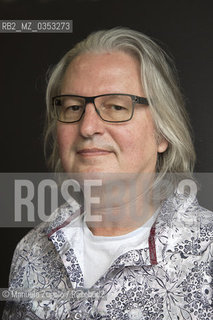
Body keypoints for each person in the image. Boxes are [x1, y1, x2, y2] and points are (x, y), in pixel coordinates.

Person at [3, 27, 213, 320]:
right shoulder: (32, 251)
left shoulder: (207, 252)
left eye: (116, 106)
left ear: (163, 133)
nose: (88, 128)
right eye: (74, 107)